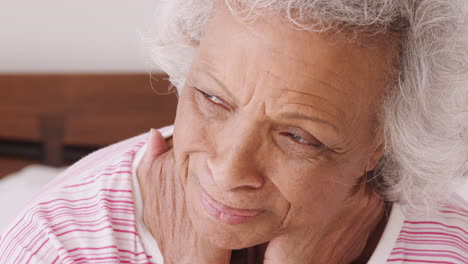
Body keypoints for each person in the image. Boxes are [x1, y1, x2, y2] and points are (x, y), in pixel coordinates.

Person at [1, 0, 467, 263]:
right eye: (213, 100)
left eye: (298, 137)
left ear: (381, 145)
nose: (227, 171)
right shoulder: (58, 243)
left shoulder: (452, 247)